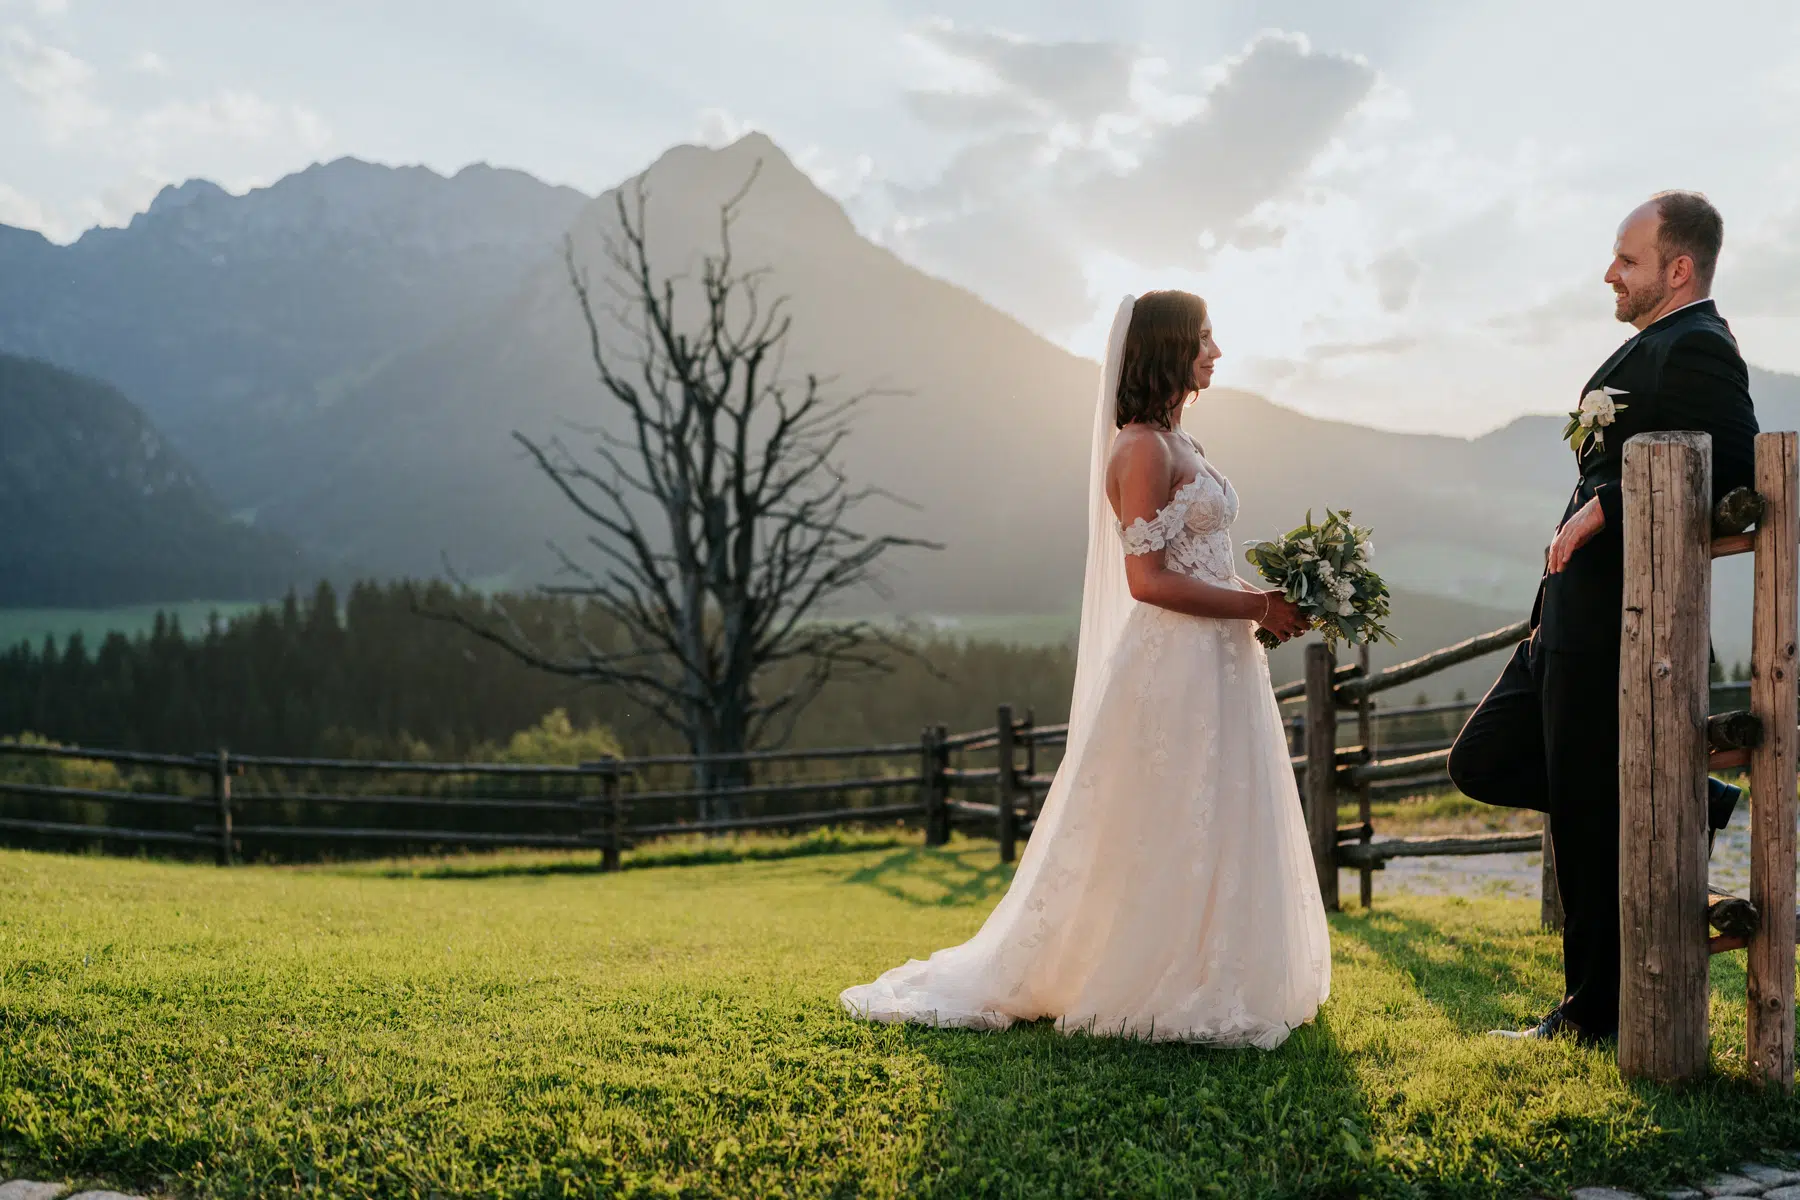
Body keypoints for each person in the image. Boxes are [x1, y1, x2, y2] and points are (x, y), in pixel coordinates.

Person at [838, 291, 1331, 1047]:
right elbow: (1148, 581)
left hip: (1222, 662)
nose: (1217, 352)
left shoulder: (1185, 443)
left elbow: (1203, 561)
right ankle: (1147, 975)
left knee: (1223, 807)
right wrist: (1254, 609)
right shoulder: (1139, 448)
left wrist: (1269, 601)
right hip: (1173, 664)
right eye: (1204, 339)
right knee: (1165, 816)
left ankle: (1221, 967)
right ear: (1167, 348)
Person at [1447, 191, 1758, 1045]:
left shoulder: (1698, 345)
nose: (1609, 272)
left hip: (1620, 620)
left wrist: (1610, 503)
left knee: (1584, 824)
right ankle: (1684, 797)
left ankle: (1590, 1018)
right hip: (1566, 614)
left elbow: (1734, 462)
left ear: (1679, 268)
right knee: (1480, 759)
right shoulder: (1650, 345)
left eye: (1627, 257)